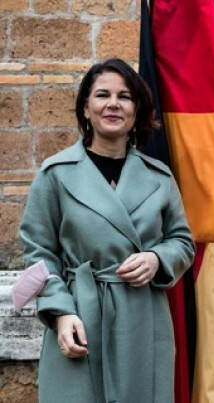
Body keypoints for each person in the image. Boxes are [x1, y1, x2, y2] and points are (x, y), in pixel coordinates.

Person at [19, 58, 195, 403]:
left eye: (124, 96)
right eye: (103, 95)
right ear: (86, 108)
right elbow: (38, 252)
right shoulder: (55, 174)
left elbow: (183, 242)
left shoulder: (159, 177)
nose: (113, 104)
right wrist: (61, 312)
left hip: (143, 319)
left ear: (136, 111)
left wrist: (156, 258)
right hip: (79, 315)